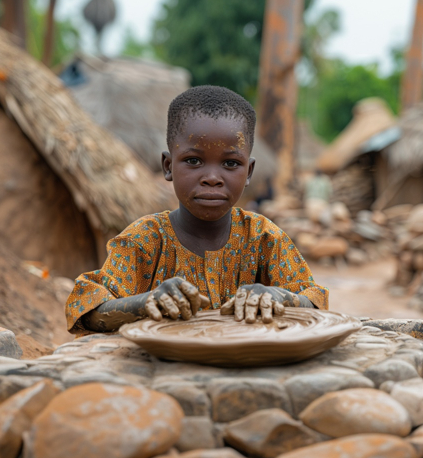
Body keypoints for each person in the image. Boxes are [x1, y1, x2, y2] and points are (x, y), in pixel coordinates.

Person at [66, 85, 328, 333]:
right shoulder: (144, 240)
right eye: (193, 160)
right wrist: (145, 302)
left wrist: (278, 295)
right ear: (168, 166)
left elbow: (315, 302)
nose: (212, 178)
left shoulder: (263, 238)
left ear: (248, 172)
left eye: (230, 163)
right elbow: (87, 309)